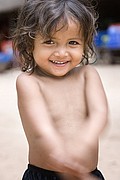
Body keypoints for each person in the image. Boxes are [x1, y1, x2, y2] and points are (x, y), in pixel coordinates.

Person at [13, 0, 108, 179]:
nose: (62, 53)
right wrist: (63, 155)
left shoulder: (88, 75)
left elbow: (100, 113)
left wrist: (85, 140)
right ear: (30, 43)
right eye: (49, 41)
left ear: (85, 43)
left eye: (72, 42)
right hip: (44, 174)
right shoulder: (29, 82)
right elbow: (42, 129)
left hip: (88, 173)